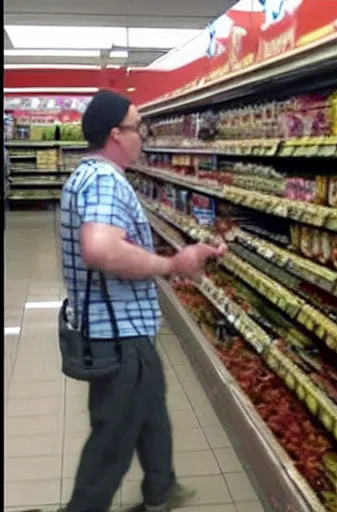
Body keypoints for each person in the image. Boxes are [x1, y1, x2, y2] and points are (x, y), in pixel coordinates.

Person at [59, 90, 226, 512]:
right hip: (118, 338)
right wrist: (174, 265)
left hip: (116, 331)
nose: (144, 137)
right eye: (138, 128)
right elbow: (100, 250)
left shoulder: (85, 175)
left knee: (150, 410)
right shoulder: (103, 180)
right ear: (116, 135)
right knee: (111, 443)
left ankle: (161, 488)